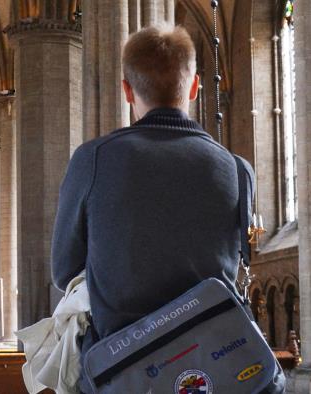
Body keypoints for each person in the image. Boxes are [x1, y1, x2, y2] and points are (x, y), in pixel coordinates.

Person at [50, 25, 285, 392]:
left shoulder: (92, 159)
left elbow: (64, 272)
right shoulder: (237, 170)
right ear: (194, 88)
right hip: (219, 372)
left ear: (127, 91)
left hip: (125, 376)